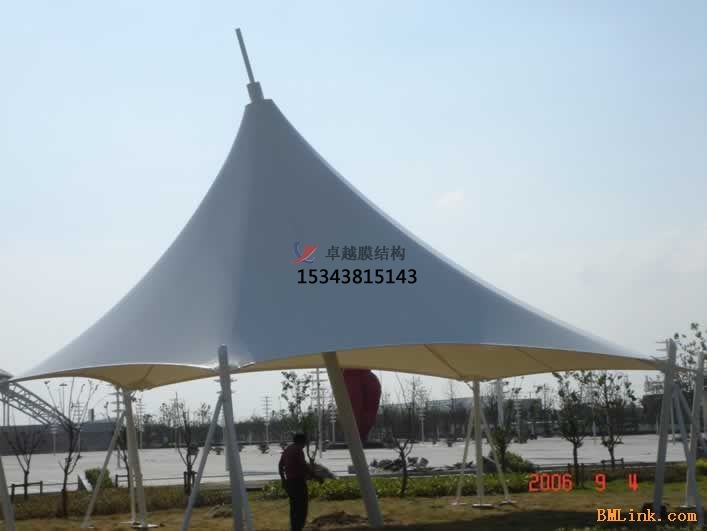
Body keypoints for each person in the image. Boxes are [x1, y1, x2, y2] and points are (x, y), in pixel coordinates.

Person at [278, 433, 315, 531]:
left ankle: (294, 527)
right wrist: (315, 476)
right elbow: (304, 466)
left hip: (290, 482)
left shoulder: (288, 449)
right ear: (302, 441)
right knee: (301, 507)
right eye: (306, 441)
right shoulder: (298, 450)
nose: (306, 443)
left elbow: (280, 465)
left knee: (294, 507)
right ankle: (298, 527)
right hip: (298, 483)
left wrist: (283, 480)